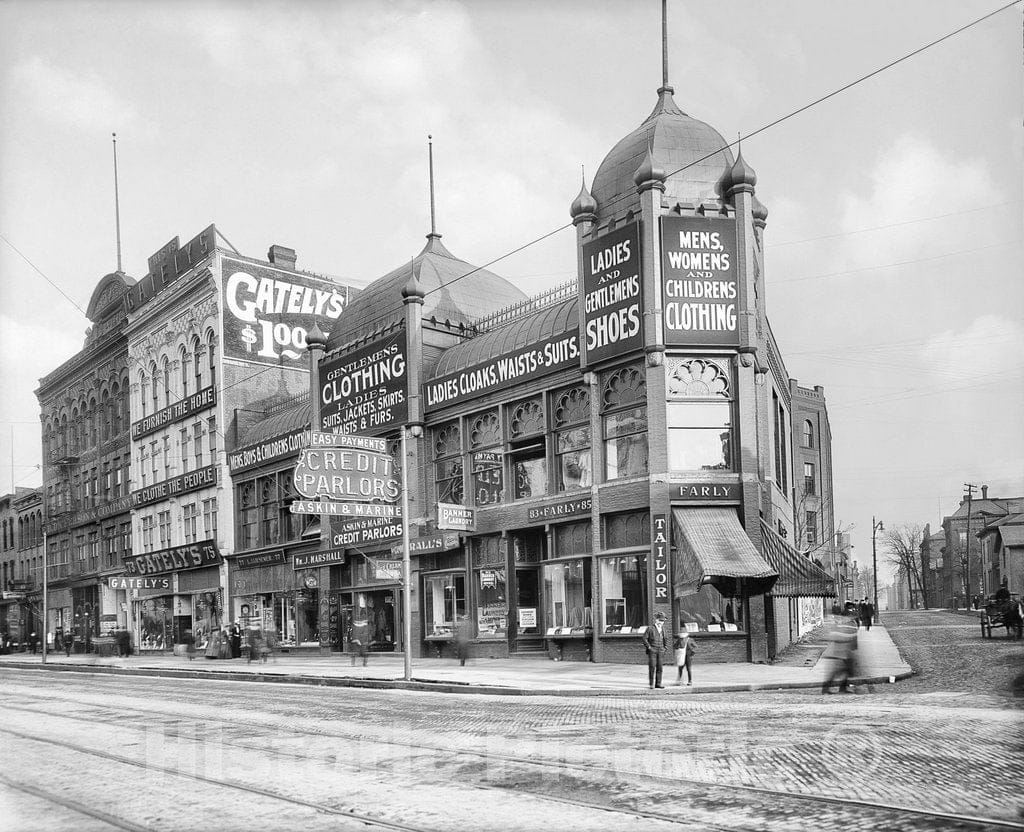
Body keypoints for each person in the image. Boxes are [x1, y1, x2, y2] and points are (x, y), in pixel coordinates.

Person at [821, 613, 858, 694]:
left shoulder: (849, 625)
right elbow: (834, 636)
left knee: (846, 671)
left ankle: (842, 688)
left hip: (845, 653)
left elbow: (853, 637)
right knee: (836, 672)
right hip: (838, 653)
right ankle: (826, 689)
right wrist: (849, 637)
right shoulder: (838, 625)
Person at [642, 611, 670, 689]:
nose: (662, 622)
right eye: (660, 620)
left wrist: (665, 647)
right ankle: (651, 684)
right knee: (652, 667)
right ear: (656, 620)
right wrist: (649, 647)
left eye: (663, 621)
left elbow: (666, 639)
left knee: (660, 667)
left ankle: (658, 683)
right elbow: (644, 638)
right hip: (653, 650)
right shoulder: (650, 628)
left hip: (661, 650)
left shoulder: (664, 629)